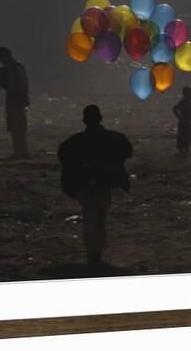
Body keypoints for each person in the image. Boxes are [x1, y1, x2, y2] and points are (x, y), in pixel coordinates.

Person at [58, 105, 132, 264]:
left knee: (90, 218)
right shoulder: (114, 138)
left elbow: (63, 157)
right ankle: (97, 252)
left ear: (84, 121)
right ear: (100, 119)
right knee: (100, 217)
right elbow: (127, 152)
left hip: (85, 184)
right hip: (104, 183)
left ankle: (93, 253)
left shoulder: (74, 142)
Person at [0, 47, 30, 159]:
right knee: (18, 127)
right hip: (16, 100)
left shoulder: (14, 68)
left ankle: (20, 152)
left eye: (1, 58)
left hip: (15, 101)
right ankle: (21, 151)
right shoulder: (17, 67)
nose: (0, 60)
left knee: (17, 127)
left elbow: (20, 85)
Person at [173, 87, 191, 156]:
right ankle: (181, 149)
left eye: (190, 94)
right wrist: (179, 116)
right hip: (182, 123)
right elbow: (174, 108)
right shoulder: (182, 102)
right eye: (189, 94)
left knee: (187, 135)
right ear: (185, 94)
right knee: (182, 135)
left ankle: (186, 148)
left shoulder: (189, 103)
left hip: (187, 123)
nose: (190, 96)